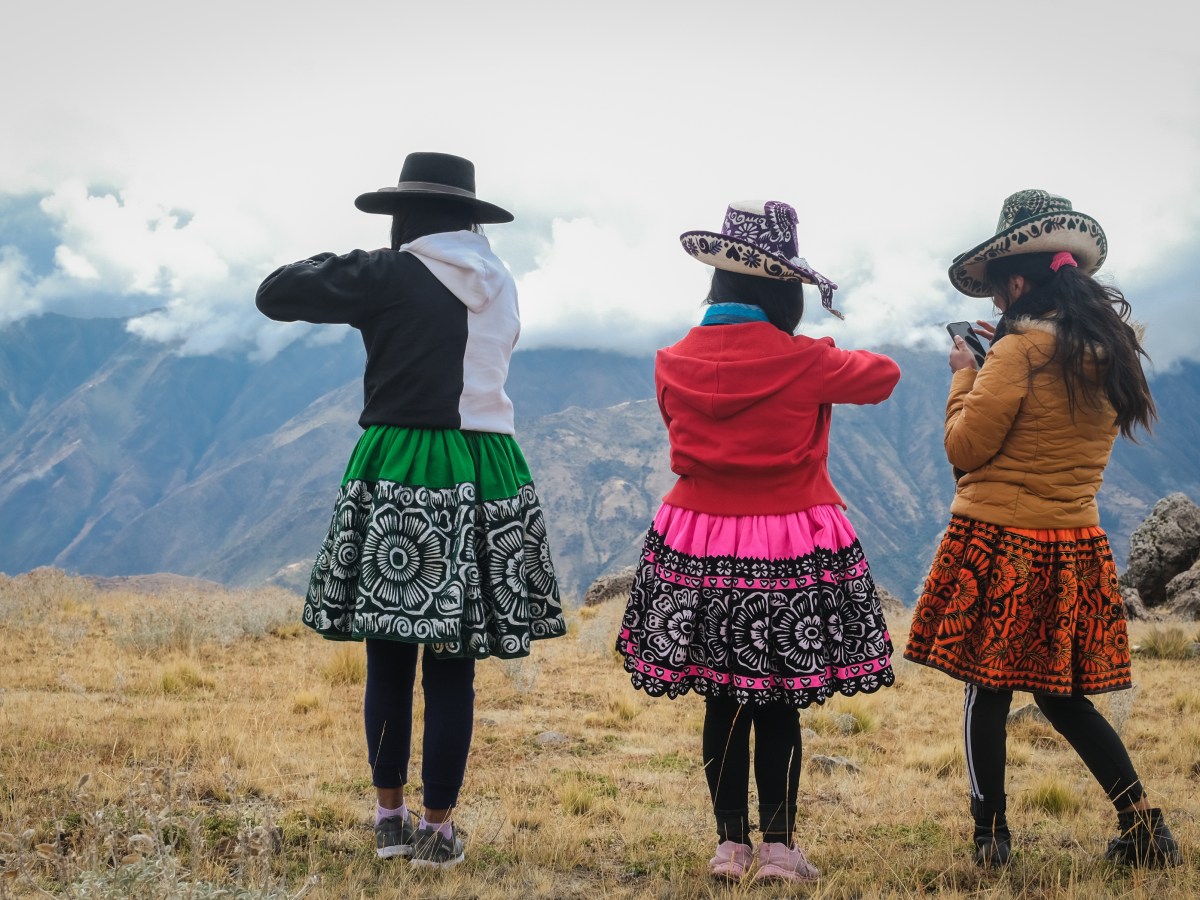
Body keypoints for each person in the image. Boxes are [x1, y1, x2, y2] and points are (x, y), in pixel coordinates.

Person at [255, 152, 566, 869]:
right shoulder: (500, 281)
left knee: (388, 651)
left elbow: (276, 292)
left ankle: (389, 820)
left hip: (402, 463)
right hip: (487, 466)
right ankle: (440, 830)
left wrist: (364, 261)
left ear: (406, 217)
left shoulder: (390, 274)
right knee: (454, 664)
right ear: (468, 216)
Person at [616, 200, 901, 883]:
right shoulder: (805, 362)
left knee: (723, 695)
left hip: (696, 541)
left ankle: (729, 846)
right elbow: (884, 376)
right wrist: (820, 358)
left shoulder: (671, 361)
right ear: (782, 290)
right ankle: (777, 848)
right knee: (777, 698)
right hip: (785, 543)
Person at [904, 189, 1182, 869]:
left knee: (985, 688)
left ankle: (990, 835)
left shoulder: (1017, 350)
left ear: (1021, 280)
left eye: (1000, 292)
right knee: (1063, 695)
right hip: (1074, 543)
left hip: (1000, 539)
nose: (998, 306)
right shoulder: (1110, 351)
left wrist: (965, 375)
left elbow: (965, 448)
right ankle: (1145, 825)